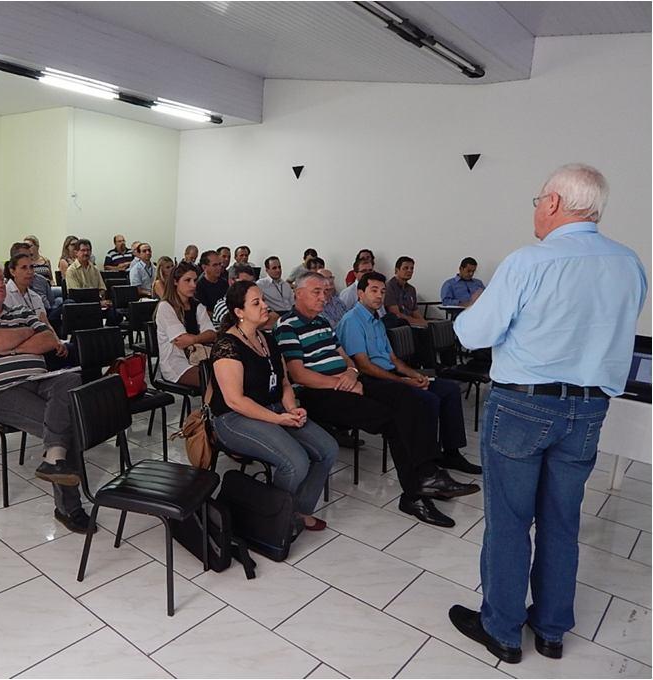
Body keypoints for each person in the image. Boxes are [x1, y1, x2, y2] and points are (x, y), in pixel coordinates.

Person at [448, 164, 647, 664]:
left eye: (538, 200)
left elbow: (471, 334)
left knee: (510, 520)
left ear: (555, 203)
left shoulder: (529, 261)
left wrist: (478, 307)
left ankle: (503, 629)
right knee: (562, 519)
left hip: (524, 405)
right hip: (588, 409)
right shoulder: (629, 263)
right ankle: (553, 628)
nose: (536, 209)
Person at [276, 272, 478, 528]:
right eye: (316, 292)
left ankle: (428, 475)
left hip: (346, 381)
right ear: (298, 293)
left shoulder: (322, 322)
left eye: (325, 292)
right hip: (317, 393)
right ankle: (415, 493)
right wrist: (343, 384)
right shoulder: (287, 325)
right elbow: (298, 374)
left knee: (411, 397)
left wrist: (351, 374)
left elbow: (345, 357)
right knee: (394, 420)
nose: (323, 297)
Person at [0, 257, 94, 534]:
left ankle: (54, 458)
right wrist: (23, 336)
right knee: (68, 421)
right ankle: (69, 508)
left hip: (39, 380)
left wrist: (14, 345)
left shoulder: (21, 312)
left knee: (71, 379)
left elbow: (49, 341)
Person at [211, 280, 338, 532]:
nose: (265, 306)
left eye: (264, 300)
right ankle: (270, 518)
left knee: (328, 449)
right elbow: (235, 400)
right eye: (256, 303)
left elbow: (284, 383)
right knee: (296, 461)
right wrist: (278, 419)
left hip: (273, 408)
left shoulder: (267, 339)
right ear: (239, 312)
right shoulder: (227, 345)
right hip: (234, 419)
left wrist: (290, 409)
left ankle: (295, 511)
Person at [337, 271, 481, 476]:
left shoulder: (377, 320)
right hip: (369, 380)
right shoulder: (352, 321)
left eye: (383, 291)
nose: (379, 296)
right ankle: (428, 462)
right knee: (428, 399)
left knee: (448, 389)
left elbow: (394, 359)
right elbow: (364, 366)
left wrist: (414, 375)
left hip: (391, 373)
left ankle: (451, 452)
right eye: (374, 290)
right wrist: (403, 381)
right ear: (360, 293)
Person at [154, 262, 216, 388]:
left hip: (199, 358)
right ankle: (207, 407)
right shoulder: (166, 307)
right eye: (187, 280)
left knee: (230, 374)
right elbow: (181, 340)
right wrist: (200, 337)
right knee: (215, 380)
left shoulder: (197, 306)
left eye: (194, 280)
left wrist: (194, 339)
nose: (193, 285)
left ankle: (210, 406)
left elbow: (212, 334)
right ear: (175, 282)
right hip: (176, 364)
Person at [65, 238, 110, 307]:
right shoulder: (71, 271)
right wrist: (97, 303)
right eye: (83, 250)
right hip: (80, 305)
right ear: (76, 253)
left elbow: (102, 288)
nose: (86, 253)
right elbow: (77, 295)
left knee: (112, 311)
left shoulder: (95, 269)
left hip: (96, 302)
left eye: (88, 250)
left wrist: (100, 298)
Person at [5, 252, 49, 324]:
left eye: (31, 267)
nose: (29, 272)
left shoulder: (36, 297)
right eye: (24, 268)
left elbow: (45, 324)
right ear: (12, 272)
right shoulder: (4, 295)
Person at [384, 256, 426, 328]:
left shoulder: (411, 289)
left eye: (412, 268)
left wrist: (423, 322)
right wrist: (418, 322)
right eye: (406, 268)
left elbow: (415, 312)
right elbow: (396, 314)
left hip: (413, 324)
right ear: (396, 270)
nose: (409, 271)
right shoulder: (389, 287)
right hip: (398, 326)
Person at [212, 264, 256, 328]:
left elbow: (272, 318)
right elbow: (241, 327)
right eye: (244, 283)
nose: (250, 287)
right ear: (231, 281)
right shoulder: (222, 306)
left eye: (252, 283)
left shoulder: (256, 300)